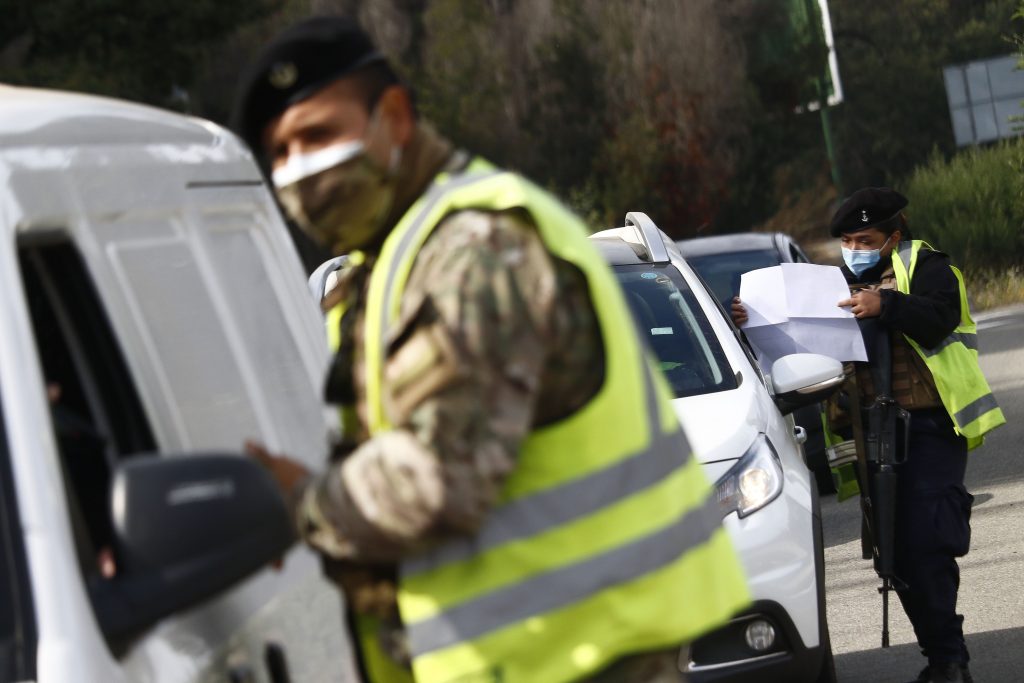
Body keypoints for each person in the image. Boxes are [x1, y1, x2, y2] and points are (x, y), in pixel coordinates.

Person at [232, 16, 748, 683]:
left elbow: (439, 481)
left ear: (393, 115)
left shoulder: (474, 250)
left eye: (318, 135)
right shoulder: (391, 264)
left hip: (578, 658)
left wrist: (298, 504)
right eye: (279, 153)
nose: (298, 170)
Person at [734, 187, 1004, 683]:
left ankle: (950, 659)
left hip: (928, 428)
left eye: (866, 238)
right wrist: (749, 324)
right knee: (893, 551)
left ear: (893, 236)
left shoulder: (926, 267)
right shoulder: (829, 285)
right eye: (848, 239)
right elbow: (795, 349)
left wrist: (886, 305)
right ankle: (938, 654)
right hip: (869, 432)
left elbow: (938, 318)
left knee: (928, 543)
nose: (855, 247)